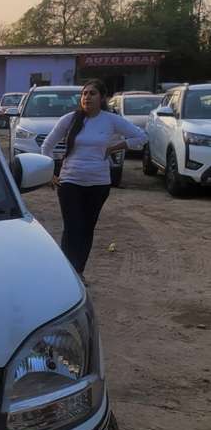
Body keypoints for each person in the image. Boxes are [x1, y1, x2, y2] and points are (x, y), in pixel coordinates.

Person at [41, 79, 147, 281]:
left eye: (92, 93)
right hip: (70, 181)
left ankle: (78, 271)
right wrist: (49, 173)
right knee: (73, 227)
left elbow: (142, 137)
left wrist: (115, 147)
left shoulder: (111, 120)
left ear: (103, 98)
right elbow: (47, 146)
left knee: (87, 228)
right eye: (84, 93)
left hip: (98, 184)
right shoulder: (70, 119)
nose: (87, 97)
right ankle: (67, 274)